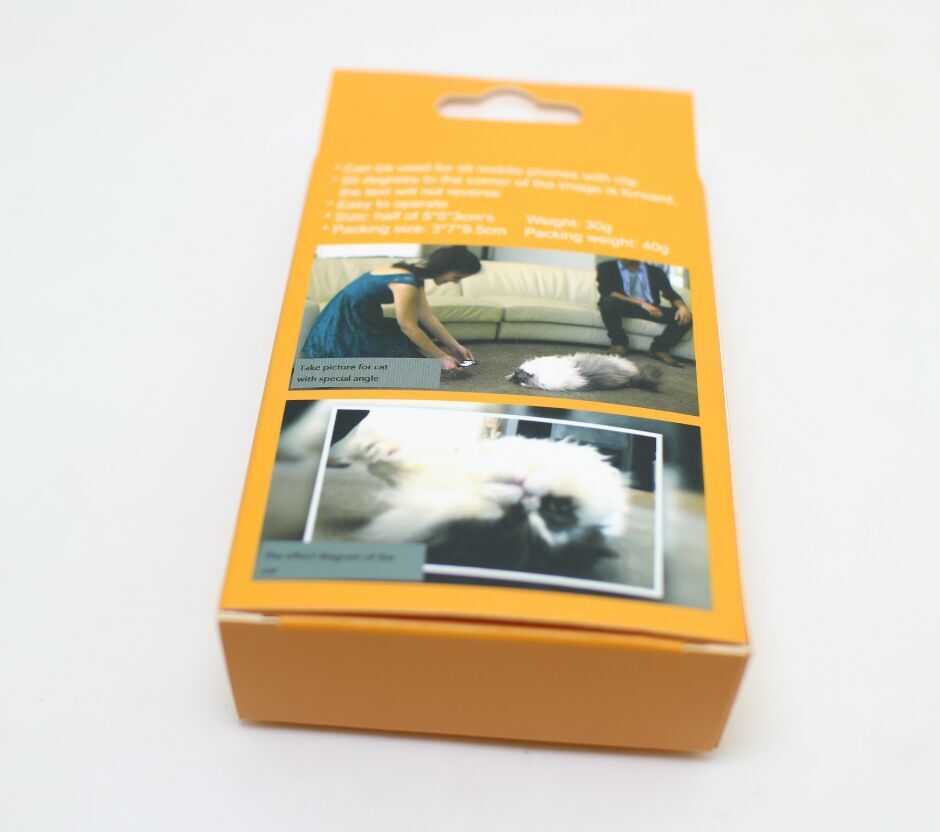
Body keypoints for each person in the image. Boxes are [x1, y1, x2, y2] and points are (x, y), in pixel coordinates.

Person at [301, 246, 482, 370]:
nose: (455, 282)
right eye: (457, 276)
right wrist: (441, 357)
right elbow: (408, 327)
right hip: (347, 323)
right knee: (418, 366)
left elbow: (427, 316)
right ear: (444, 267)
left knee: (423, 331)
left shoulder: (412, 275)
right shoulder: (406, 282)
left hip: (365, 317)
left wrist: (455, 346)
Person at [596, 258, 693, 367]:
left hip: (650, 308)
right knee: (608, 301)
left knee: (687, 317)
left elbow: (670, 293)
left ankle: (659, 349)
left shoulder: (655, 271)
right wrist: (641, 303)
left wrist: (682, 307)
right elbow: (608, 291)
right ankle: (619, 343)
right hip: (622, 305)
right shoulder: (606, 267)